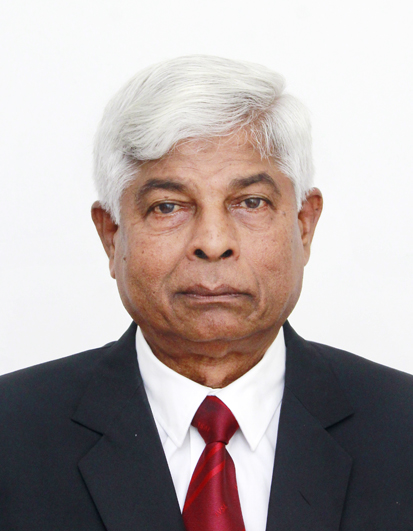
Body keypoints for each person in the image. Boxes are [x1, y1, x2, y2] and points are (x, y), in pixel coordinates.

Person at [0, 55, 412, 531]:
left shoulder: (402, 428)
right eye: (167, 206)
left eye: (251, 202)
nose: (213, 243)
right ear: (112, 236)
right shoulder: (12, 434)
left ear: (304, 226)